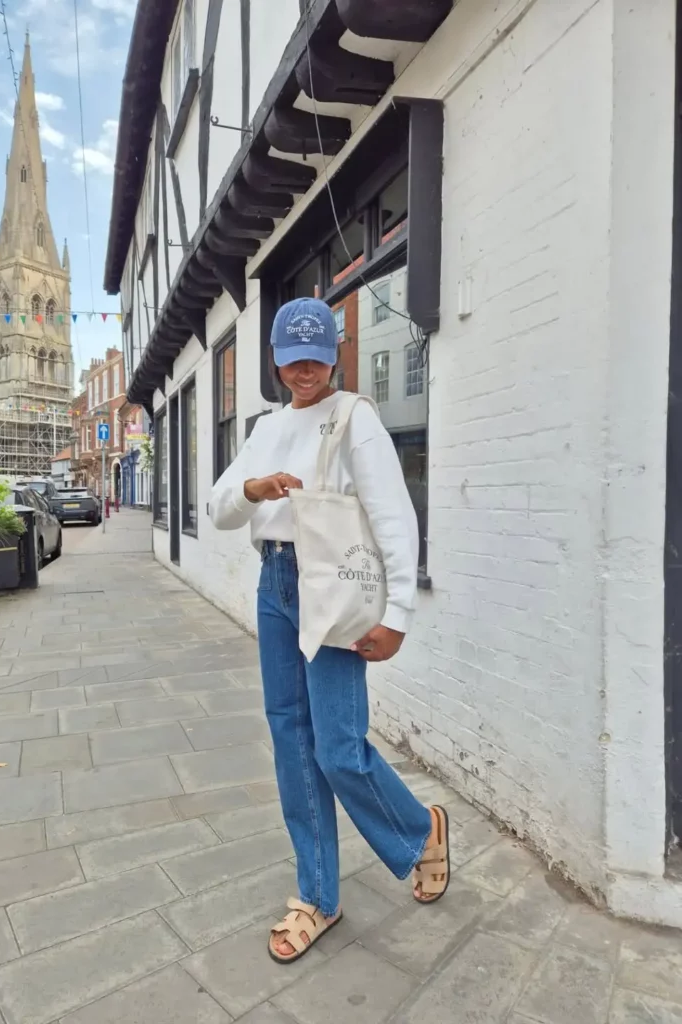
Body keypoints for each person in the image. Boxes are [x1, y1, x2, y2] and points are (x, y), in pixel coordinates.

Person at [209, 297, 450, 964]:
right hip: (275, 584)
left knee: (338, 747)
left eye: (316, 358)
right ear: (276, 360)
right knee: (291, 741)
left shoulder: (354, 417)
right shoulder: (264, 429)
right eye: (293, 360)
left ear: (334, 356)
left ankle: (420, 829)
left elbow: (394, 517)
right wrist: (254, 489)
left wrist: (397, 615)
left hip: (333, 585)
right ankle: (318, 895)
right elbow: (218, 506)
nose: (305, 371)